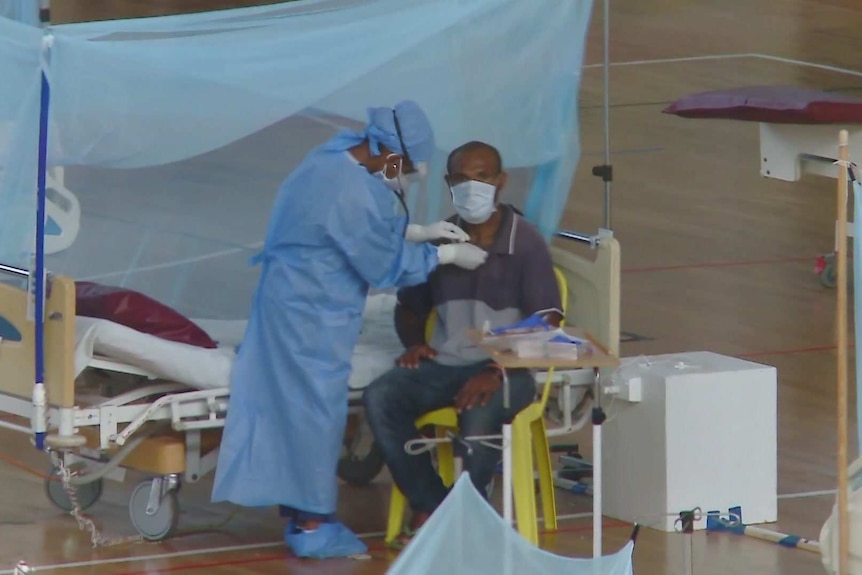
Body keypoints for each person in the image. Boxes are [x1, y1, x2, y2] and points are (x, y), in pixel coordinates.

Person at [211, 102, 489, 559]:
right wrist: (443, 255)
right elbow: (381, 264)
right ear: (385, 149)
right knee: (315, 414)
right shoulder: (351, 191)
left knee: (293, 409)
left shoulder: (334, 156)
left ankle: (299, 510)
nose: (407, 177)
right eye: (407, 167)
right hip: (311, 315)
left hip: (292, 300)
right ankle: (313, 522)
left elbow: (350, 230)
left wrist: (418, 231)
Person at [362, 141, 564, 549]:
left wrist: (496, 369)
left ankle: (471, 514)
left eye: (483, 176)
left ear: (501, 181)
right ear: (448, 183)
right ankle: (434, 506)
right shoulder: (442, 240)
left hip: (508, 369)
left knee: (477, 414)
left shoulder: (524, 242)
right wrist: (416, 343)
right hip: (447, 364)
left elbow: (549, 319)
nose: (473, 186)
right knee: (382, 397)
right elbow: (410, 306)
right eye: (462, 178)